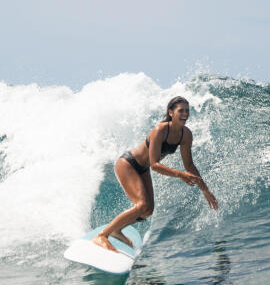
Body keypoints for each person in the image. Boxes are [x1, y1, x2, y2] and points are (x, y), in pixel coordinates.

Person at [93, 96, 219, 252]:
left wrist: (205, 190)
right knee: (141, 205)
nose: (185, 114)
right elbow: (155, 165)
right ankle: (102, 236)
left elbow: (189, 165)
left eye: (187, 110)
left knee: (148, 210)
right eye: (181, 110)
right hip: (128, 164)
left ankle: (116, 230)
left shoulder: (185, 135)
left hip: (143, 168)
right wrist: (180, 175)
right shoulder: (160, 130)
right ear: (171, 112)